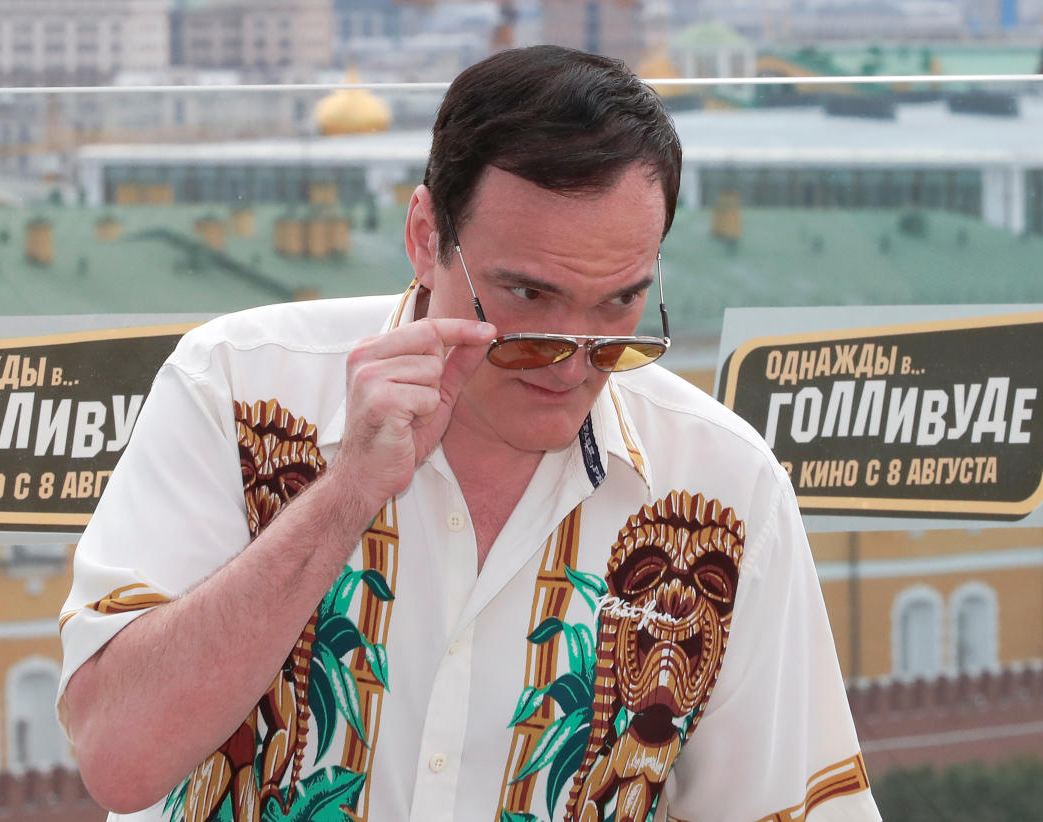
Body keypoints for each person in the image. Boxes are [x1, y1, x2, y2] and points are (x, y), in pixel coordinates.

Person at [58, 45, 881, 822]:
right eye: (526, 297)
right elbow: (120, 757)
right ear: (425, 237)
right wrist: (344, 493)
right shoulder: (236, 387)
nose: (570, 360)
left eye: (620, 306)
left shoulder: (723, 488)